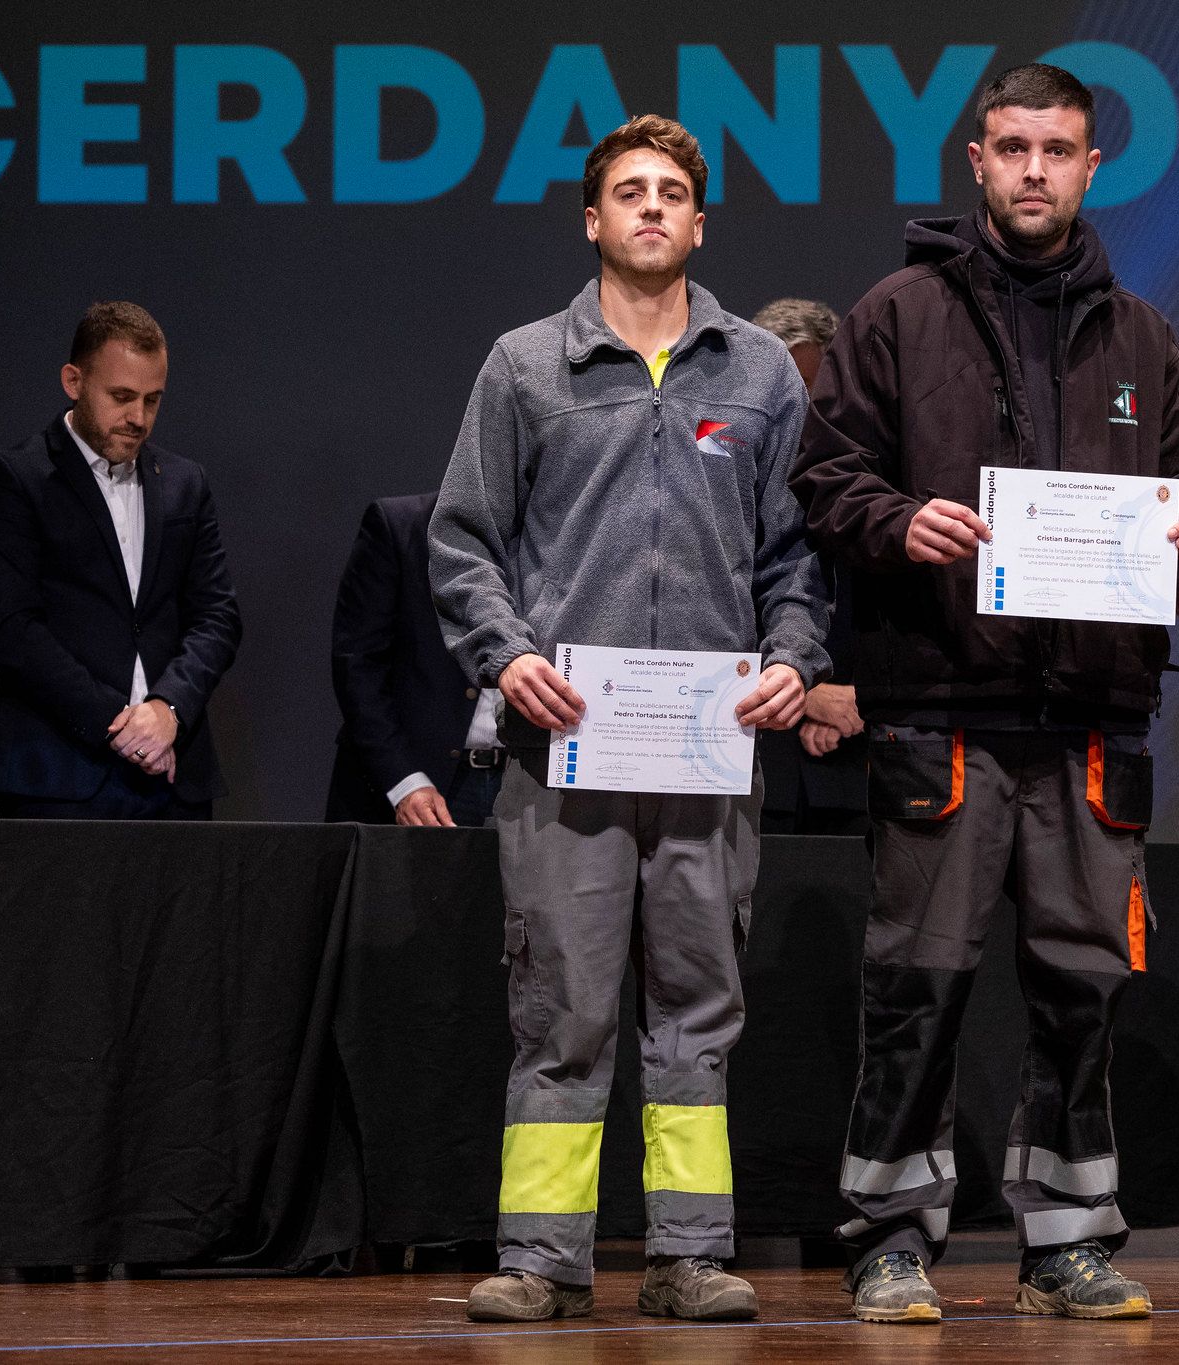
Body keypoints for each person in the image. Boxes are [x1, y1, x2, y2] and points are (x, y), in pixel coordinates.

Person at [792, 63, 1179, 1324]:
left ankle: (1068, 1241)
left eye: (1057, 150)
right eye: (1010, 147)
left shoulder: (1142, 336)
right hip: (939, 710)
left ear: (1093, 168)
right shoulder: (894, 315)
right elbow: (822, 481)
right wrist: (894, 520)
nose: (1033, 169)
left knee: (1083, 984)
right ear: (973, 162)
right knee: (917, 981)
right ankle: (886, 1235)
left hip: (1092, 720)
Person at [430, 114, 829, 1324]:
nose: (650, 208)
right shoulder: (524, 367)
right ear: (592, 220)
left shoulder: (758, 372)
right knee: (564, 1004)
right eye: (627, 192)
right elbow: (462, 543)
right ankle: (542, 1260)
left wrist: (793, 661)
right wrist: (505, 661)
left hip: (710, 753)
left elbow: (796, 559)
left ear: (698, 224)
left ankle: (687, 1254)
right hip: (568, 749)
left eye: (671, 193)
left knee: (697, 1009)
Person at [0, 302, 241, 820]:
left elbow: (217, 617)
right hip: (59, 778)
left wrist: (168, 710)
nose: (138, 418)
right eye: (122, 397)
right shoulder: (17, 479)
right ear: (73, 380)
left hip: (174, 779)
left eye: (153, 400)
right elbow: (12, 627)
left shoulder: (184, 483)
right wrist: (118, 723)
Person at [751, 299, 868, 835]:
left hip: (851, 759)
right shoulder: (707, 451)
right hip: (743, 754)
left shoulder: (870, 473)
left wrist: (855, 699)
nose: (800, 413)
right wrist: (805, 695)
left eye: (814, 394)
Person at [325, 492, 504, 826]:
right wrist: (404, 782)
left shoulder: (561, 539)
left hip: (525, 785)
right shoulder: (402, 525)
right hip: (424, 783)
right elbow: (358, 666)